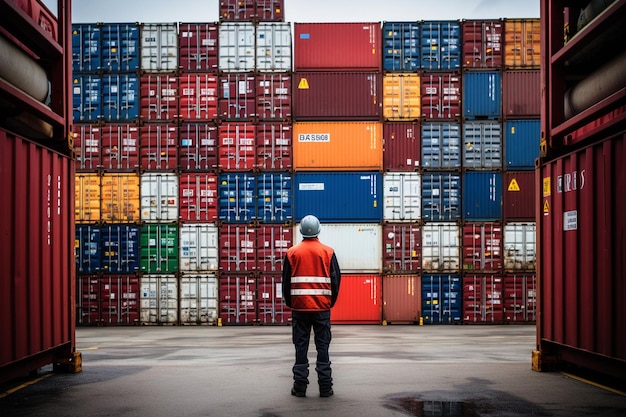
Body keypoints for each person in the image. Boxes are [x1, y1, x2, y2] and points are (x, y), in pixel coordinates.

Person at [282, 214, 341, 398]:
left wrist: (292, 303)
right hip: (322, 309)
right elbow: (336, 281)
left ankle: (300, 387)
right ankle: (325, 387)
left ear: (301, 231)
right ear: (318, 230)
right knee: (323, 348)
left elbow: (285, 283)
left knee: (301, 347)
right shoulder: (328, 252)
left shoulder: (292, 253)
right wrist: (329, 303)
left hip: (299, 309)